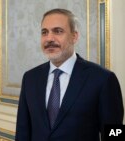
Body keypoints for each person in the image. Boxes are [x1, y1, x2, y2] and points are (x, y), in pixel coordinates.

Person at [15, 8, 124, 141]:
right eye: (44, 32)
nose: (49, 38)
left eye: (58, 31)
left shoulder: (103, 79)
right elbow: (22, 131)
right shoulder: (30, 78)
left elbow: (114, 134)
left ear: (74, 36)